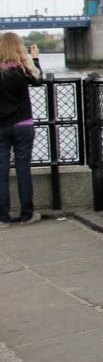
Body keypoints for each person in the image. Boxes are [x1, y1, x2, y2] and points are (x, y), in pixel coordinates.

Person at [0, 33, 43, 225]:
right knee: (23, 169)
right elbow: (37, 81)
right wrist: (34, 59)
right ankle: (27, 214)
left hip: (1, 127)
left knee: (1, 172)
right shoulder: (22, 70)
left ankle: (3, 217)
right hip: (23, 125)